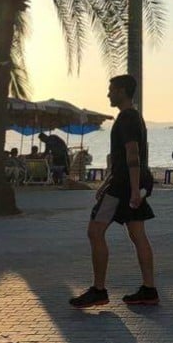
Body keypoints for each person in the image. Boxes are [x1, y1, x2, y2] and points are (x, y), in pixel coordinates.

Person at [70, 74, 158, 308]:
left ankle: (99, 290)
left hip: (122, 188)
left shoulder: (127, 118)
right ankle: (149, 290)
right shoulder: (135, 117)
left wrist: (131, 191)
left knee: (95, 232)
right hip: (128, 184)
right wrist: (111, 183)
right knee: (138, 235)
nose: (108, 94)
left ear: (121, 91)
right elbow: (124, 157)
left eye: (111, 90)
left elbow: (132, 154)